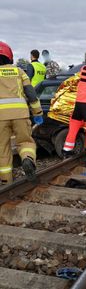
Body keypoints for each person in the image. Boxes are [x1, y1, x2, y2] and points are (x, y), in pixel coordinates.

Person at [0, 41, 43, 184]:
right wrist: (37, 112)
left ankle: (6, 180)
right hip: (20, 114)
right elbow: (31, 94)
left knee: (3, 148)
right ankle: (28, 159)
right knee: (25, 142)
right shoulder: (19, 71)